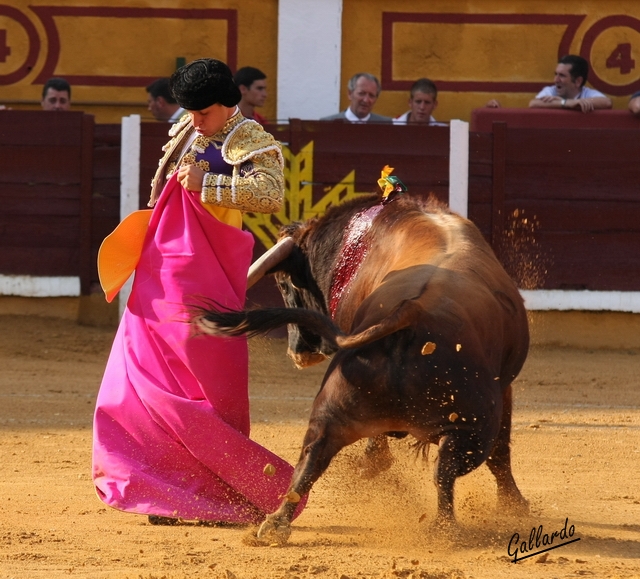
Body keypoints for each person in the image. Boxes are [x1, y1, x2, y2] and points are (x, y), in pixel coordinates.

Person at [92, 58, 306, 526]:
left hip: (208, 277)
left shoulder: (251, 140)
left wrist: (208, 183)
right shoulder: (189, 129)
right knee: (142, 373)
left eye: (202, 113)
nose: (194, 121)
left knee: (200, 381)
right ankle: (165, 488)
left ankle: (217, 491)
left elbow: (270, 195)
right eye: (189, 112)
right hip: (163, 271)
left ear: (228, 103)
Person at [486, 55, 612, 112]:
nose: (556, 80)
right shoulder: (551, 91)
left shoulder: (587, 93)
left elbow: (607, 102)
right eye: (556, 74)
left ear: (578, 81)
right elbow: (534, 103)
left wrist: (561, 103)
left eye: (562, 76)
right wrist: (567, 103)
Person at [321, 72, 392, 123]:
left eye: (371, 95)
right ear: (350, 94)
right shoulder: (328, 124)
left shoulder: (386, 125)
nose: (366, 100)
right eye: (361, 93)